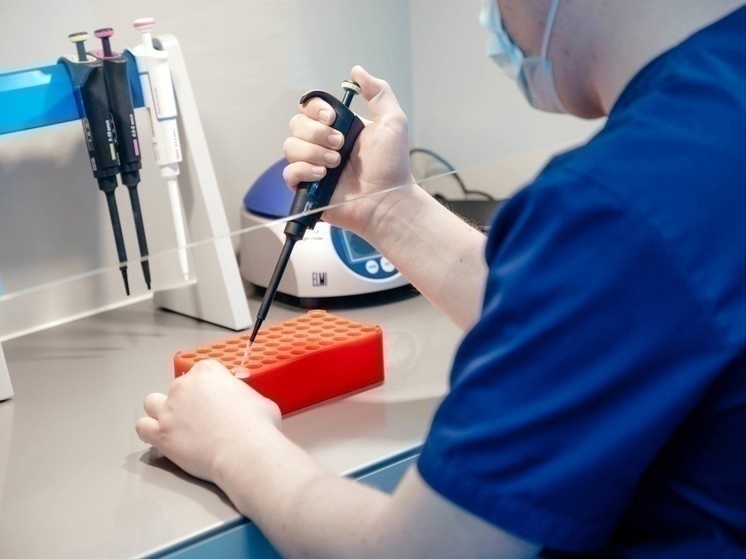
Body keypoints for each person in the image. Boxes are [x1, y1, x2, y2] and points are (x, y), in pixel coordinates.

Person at [136, 0, 746, 556]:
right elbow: (609, 317)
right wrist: (388, 208)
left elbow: (422, 550)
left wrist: (234, 446)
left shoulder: (616, 198)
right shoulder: (715, 111)